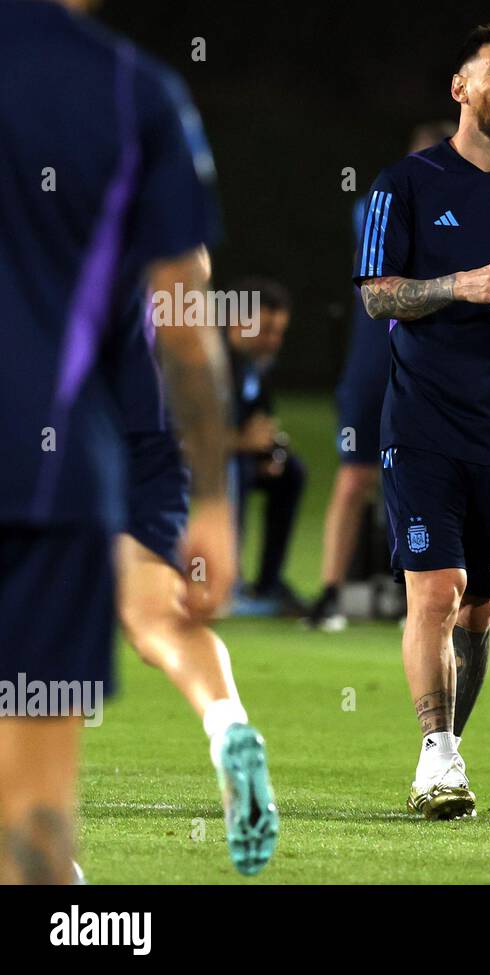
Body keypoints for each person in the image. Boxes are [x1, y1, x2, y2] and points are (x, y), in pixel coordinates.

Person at [0, 0, 235, 883]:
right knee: (35, 824)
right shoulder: (138, 92)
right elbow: (184, 318)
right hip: (52, 487)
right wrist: (213, 497)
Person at [353, 23, 490, 820]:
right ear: (461, 87)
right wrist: (460, 283)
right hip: (423, 424)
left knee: (479, 607)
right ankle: (438, 751)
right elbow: (378, 295)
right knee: (437, 592)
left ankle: (439, 758)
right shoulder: (404, 185)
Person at [107, 294, 278, 876]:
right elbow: (189, 318)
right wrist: (212, 500)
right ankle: (226, 724)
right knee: (156, 614)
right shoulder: (150, 201)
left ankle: (46, 864)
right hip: (151, 414)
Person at [306, 121, 456, 632]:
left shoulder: (469, 214)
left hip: (434, 367)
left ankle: (410, 593)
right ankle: (331, 592)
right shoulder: (378, 206)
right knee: (355, 476)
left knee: (425, 480)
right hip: (374, 366)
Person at [226, 278, 306, 617]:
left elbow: (260, 423)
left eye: (279, 332)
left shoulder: (254, 366)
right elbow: (181, 435)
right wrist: (243, 444)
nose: (273, 340)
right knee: (237, 470)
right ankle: (227, 584)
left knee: (291, 473)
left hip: (232, 457)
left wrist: (268, 452)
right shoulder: (208, 360)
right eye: (266, 330)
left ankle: (268, 583)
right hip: (188, 464)